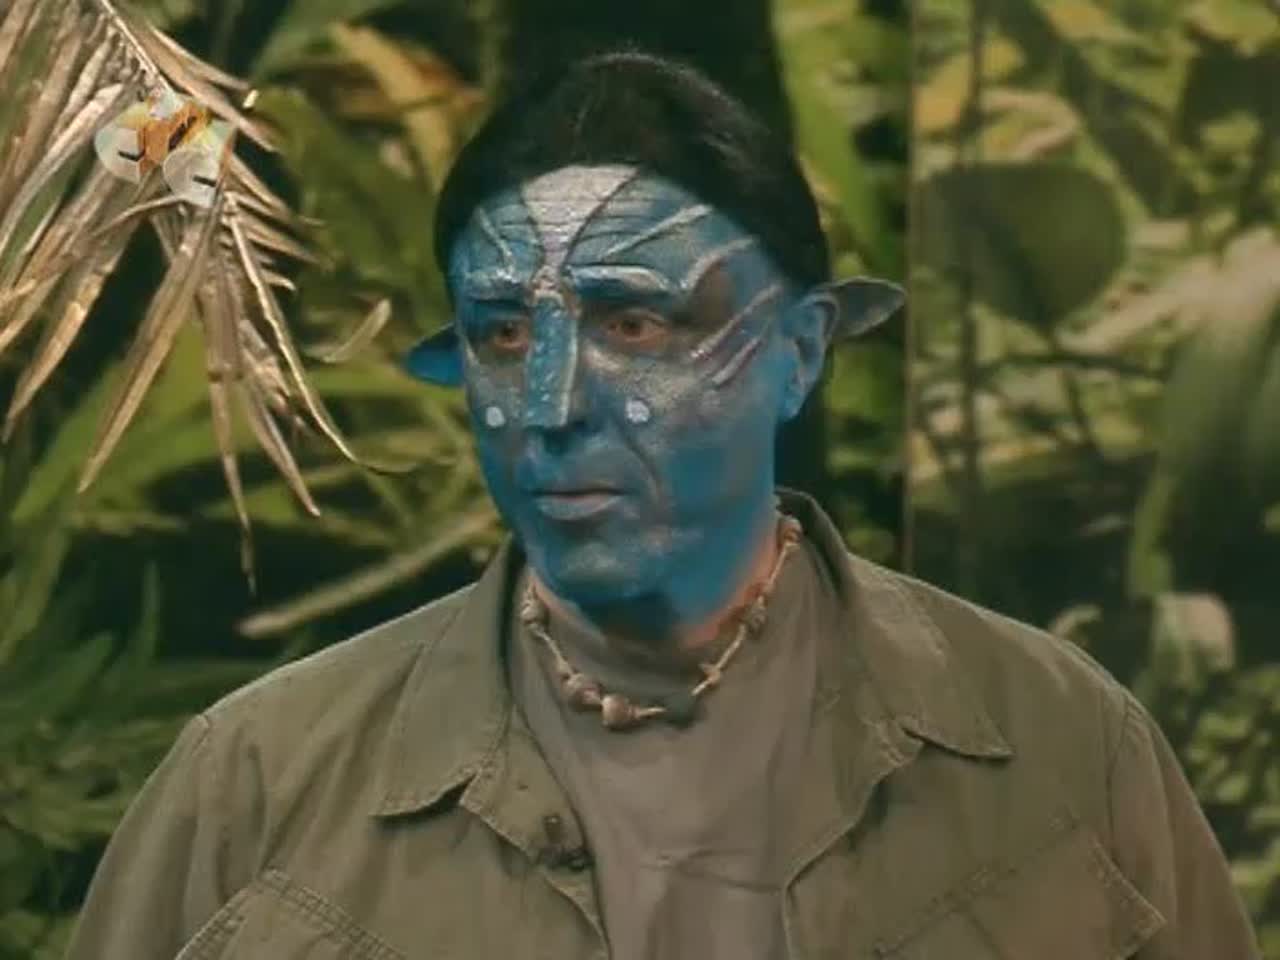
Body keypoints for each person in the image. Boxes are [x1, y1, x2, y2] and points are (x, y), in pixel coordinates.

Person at [67, 52, 1259, 960]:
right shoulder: (259, 787)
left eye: (634, 322)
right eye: (501, 334)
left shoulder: (1056, 749)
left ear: (798, 354)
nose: (548, 408)